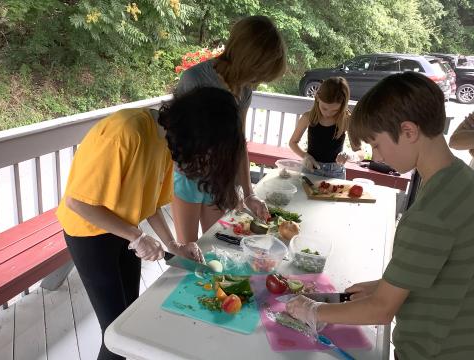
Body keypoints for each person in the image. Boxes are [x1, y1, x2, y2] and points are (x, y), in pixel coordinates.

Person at [286, 72, 474, 360]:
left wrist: (314, 309)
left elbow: (383, 310)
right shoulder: (461, 180)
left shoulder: (429, 214)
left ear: (409, 132)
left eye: (376, 144)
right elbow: (442, 269)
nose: (377, 157)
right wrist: (383, 285)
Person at [56, 87, 246, 360]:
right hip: (88, 233)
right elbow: (78, 203)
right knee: (114, 333)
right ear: (198, 132)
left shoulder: (166, 142)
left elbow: (151, 204)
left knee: (129, 319)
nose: (204, 159)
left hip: (123, 228)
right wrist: (137, 237)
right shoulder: (125, 131)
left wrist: (174, 245)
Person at [173, 15, 287, 244]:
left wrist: (248, 192)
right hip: (189, 177)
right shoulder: (194, 79)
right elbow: (176, 140)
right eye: (259, 72)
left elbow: (238, 142)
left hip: (221, 178)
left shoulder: (244, 90)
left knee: (218, 243)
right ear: (246, 58)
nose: (257, 80)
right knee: (189, 248)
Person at [289, 77, 364, 179]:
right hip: (310, 169)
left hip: (336, 173)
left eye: (335, 110)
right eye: (324, 108)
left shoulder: (346, 120)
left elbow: (361, 153)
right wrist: (305, 156)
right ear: (317, 98)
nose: (328, 113)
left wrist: (350, 156)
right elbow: (292, 142)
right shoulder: (308, 117)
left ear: (343, 106)